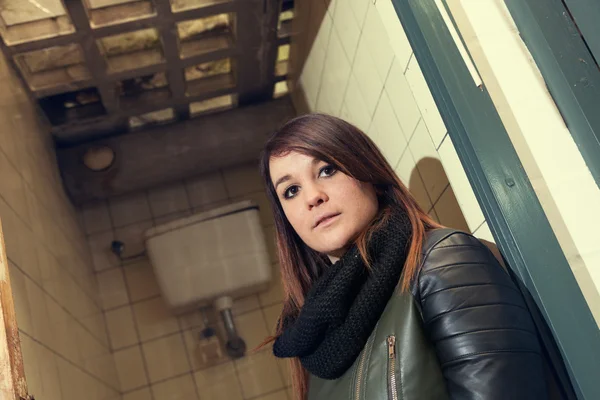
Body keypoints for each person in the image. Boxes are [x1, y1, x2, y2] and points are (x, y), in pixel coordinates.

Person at [258, 114, 550, 399]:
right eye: (291, 190)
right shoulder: (314, 335)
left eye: (327, 170)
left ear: (367, 171)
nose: (312, 197)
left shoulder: (443, 262)